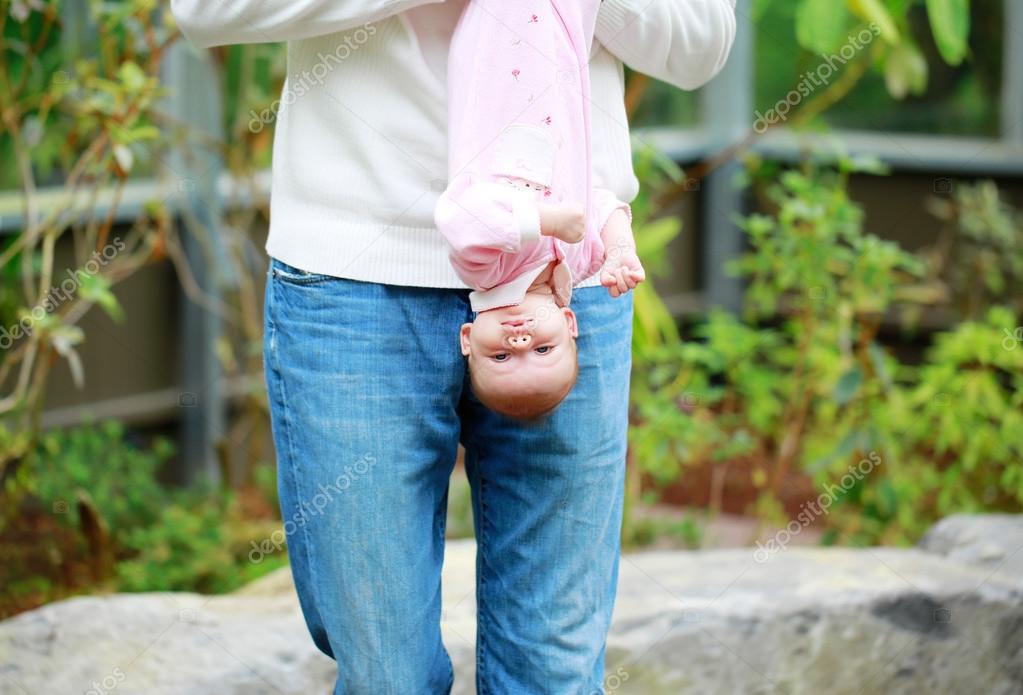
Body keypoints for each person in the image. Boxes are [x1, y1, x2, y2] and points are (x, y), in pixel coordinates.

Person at [171, 0, 736, 692]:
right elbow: (203, 10)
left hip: (562, 275)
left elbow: (700, 41)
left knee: (551, 670)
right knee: (388, 674)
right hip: (355, 275)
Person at [435, 1, 644, 419]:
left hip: (503, 43)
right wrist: (620, 248)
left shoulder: (488, 271)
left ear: (468, 338)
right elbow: (600, 206)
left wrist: (544, 221)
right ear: (569, 324)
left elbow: (461, 214)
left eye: (499, 358)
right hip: (562, 44)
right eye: (543, 349)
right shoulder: (578, 264)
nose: (520, 343)